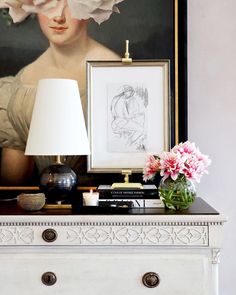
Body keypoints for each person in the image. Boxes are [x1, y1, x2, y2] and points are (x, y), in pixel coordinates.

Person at [0, 0, 123, 185]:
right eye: (49, 6)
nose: (58, 17)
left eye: (71, 7)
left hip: (102, 204)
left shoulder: (118, 75)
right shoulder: (22, 84)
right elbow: (14, 181)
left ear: (91, 9)